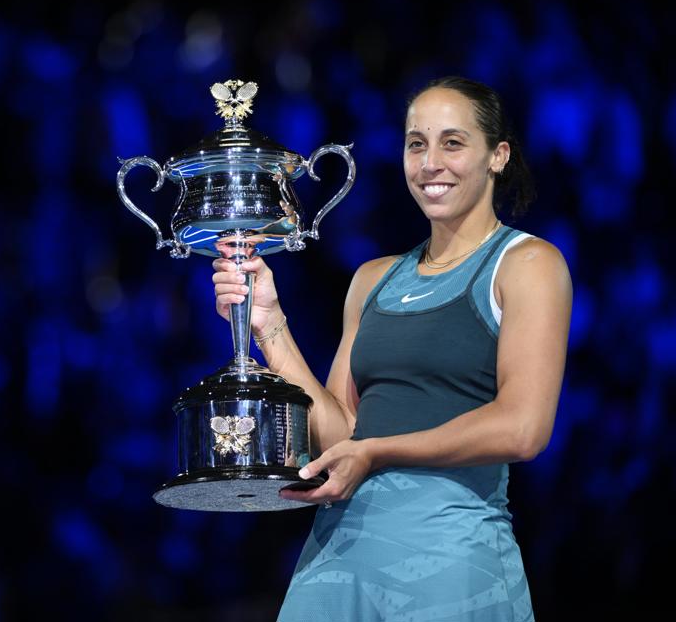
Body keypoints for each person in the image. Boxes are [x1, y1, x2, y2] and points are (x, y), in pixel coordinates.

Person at [211, 76, 572, 621]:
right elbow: (340, 433)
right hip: (339, 558)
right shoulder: (372, 279)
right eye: (416, 143)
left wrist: (378, 451)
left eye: (453, 142)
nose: (430, 163)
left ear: (498, 156)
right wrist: (269, 325)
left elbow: (523, 429)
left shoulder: (528, 265)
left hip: (450, 562)